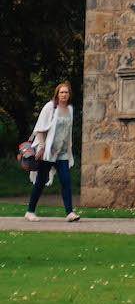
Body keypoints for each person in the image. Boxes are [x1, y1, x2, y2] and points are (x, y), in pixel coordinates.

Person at [25, 83, 80, 221]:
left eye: (66, 92)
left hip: (61, 152)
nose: (64, 95)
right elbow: (40, 128)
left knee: (66, 180)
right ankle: (30, 211)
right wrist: (41, 147)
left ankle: (70, 213)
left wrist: (68, 149)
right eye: (61, 92)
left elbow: (68, 131)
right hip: (48, 152)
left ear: (69, 95)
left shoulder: (70, 109)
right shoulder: (51, 107)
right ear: (57, 94)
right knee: (41, 181)